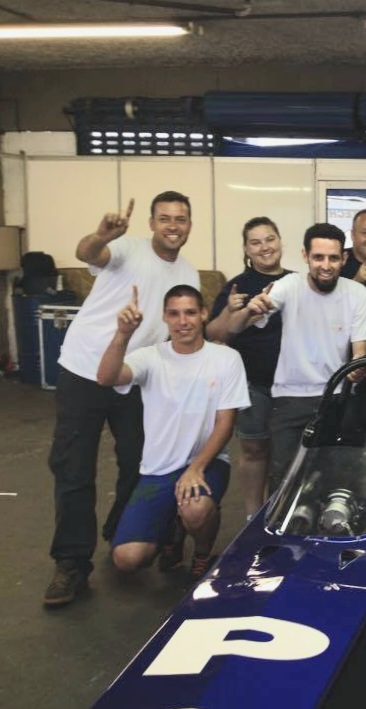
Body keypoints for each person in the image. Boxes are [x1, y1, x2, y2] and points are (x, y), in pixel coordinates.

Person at [44, 192, 199, 607]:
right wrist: (101, 235)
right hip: (84, 370)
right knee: (74, 468)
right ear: (151, 223)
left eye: (180, 219)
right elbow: (88, 252)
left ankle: (121, 530)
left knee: (140, 462)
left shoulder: (187, 272)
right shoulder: (127, 248)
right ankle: (72, 562)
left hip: (133, 379)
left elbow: (181, 330)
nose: (173, 225)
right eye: (165, 218)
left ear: (189, 225)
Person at [98, 284, 249, 579]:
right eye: (174, 314)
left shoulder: (226, 359)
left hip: (207, 463)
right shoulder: (150, 357)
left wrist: (196, 468)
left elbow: (225, 423)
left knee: (195, 509)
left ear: (204, 314)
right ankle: (171, 531)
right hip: (158, 469)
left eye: (190, 313)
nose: (183, 321)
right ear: (165, 318)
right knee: (127, 559)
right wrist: (122, 334)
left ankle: (202, 553)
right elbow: (106, 377)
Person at [229, 223, 366, 493]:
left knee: (338, 480)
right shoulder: (288, 286)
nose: (326, 265)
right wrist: (250, 310)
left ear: (344, 259)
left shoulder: (357, 294)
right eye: (318, 257)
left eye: (333, 258)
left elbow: (360, 351)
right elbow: (236, 327)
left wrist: (357, 367)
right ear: (305, 256)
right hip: (290, 397)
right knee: (285, 482)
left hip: (336, 396)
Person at [206, 216, 292, 517]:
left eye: (269, 239)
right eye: (255, 242)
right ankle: (253, 516)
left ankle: (284, 515)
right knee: (255, 450)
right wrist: (231, 311)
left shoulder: (296, 281)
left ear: (280, 241)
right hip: (252, 382)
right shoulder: (237, 287)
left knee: (289, 453)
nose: (264, 247)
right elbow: (214, 334)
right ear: (246, 249)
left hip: (293, 386)